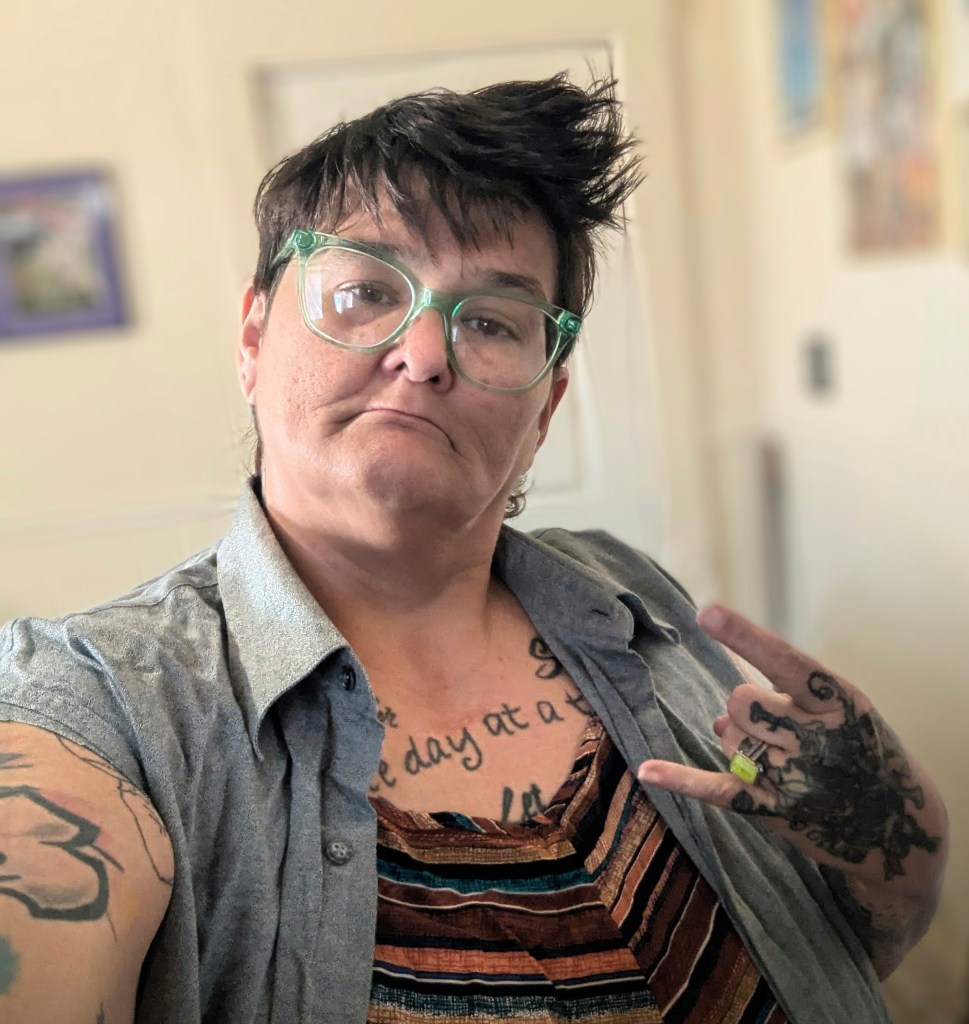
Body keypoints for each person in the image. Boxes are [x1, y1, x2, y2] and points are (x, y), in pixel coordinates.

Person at [0, 75, 948, 1024]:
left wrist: (887, 840)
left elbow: (848, 949)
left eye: (491, 321)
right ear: (253, 337)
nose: (423, 356)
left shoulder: (629, 594)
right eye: (365, 291)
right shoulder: (111, 706)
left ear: (546, 408)